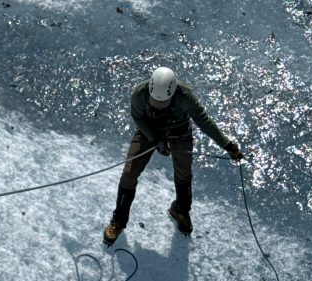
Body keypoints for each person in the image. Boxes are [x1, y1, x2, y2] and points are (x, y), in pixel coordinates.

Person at [103, 66, 244, 245]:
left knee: (184, 171)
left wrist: (227, 145)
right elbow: (138, 116)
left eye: (163, 103)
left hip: (179, 130)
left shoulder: (186, 97)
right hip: (149, 130)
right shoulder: (139, 94)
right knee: (129, 173)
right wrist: (154, 139)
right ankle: (118, 221)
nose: (159, 106)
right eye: (155, 102)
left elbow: (204, 121)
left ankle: (181, 209)